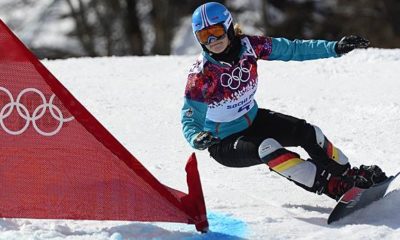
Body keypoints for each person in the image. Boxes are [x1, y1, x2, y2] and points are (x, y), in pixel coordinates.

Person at [181, 2, 387, 200]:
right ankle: (332, 186)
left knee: (308, 133)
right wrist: (197, 137)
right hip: (224, 142)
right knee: (267, 147)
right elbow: (189, 118)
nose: (212, 41)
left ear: (228, 27)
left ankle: (348, 174)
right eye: (204, 36)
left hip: (254, 121)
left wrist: (334, 48)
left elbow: (293, 49)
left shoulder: (250, 46)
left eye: (216, 31)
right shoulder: (201, 75)